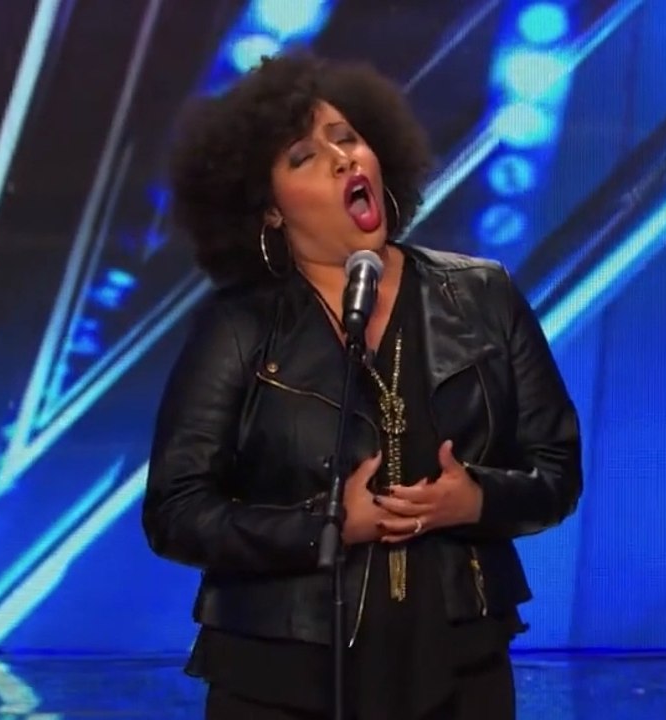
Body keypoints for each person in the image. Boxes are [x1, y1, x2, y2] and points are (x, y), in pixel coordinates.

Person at [142, 52, 582, 720]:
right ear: (269, 211)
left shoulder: (482, 295)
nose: (341, 158)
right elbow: (176, 511)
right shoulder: (236, 327)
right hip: (280, 677)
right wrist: (323, 527)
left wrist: (475, 500)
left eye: (346, 137)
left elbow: (556, 472)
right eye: (303, 157)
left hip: (458, 666)